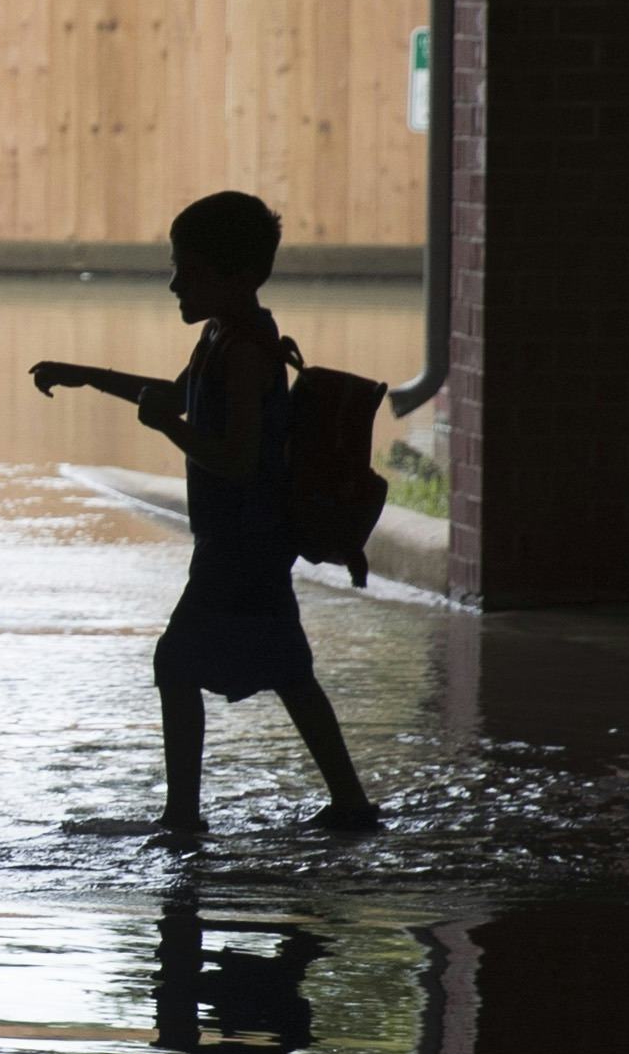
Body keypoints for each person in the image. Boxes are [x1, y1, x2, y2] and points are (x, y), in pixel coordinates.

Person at [32, 189, 381, 843]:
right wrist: (84, 374)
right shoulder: (225, 335)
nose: (172, 283)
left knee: (176, 663)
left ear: (236, 278)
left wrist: (168, 429)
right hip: (247, 541)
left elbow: (237, 457)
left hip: (240, 545)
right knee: (287, 670)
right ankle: (350, 803)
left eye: (187, 270)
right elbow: (176, 395)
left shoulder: (246, 351)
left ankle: (183, 816)